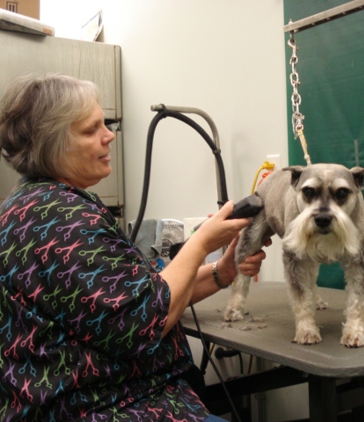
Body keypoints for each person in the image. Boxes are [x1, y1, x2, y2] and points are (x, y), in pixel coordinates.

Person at [0, 73, 268, 422]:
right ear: (53, 144)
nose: (109, 135)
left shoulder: (33, 202)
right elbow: (145, 322)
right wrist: (201, 243)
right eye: (90, 130)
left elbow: (140, 294)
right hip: (109, 406)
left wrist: (225, 271)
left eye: (105, 124)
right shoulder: (63, 220)